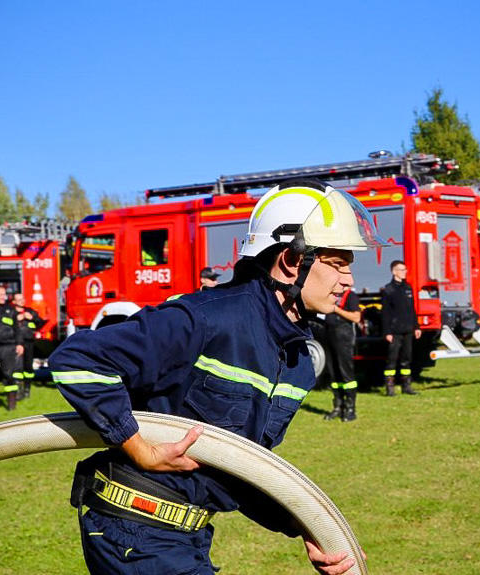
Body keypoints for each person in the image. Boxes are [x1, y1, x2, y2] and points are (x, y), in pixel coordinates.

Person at [49, 179, 386, 575]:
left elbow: (239, 464)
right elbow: (78, 359)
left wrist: (306, 526)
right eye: (336, 263)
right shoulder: (206, 318)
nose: (348, 280)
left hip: (188, 534)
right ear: (292, 261)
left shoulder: (295, 361)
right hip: (133, 529)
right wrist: (139, 447)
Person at [381, 260, 421, 396]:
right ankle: (390, 388)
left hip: (408, 330)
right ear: (394, 271)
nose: (404, 272)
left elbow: (412, 310)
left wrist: (416, 327)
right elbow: (385, 313)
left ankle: (406, 386)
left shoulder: (408, 288)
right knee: (392, 360)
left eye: (405, 270)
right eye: (401, 270)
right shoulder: (388, 290)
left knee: (406, 359)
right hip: (394, 331)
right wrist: (387, 332)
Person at [322, 287, 361, 422]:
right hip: (329, 332)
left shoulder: (351, 296)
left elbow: (356, 317)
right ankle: (338, 406)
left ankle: (350, 409)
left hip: (343, 332)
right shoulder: (331, 294)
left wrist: (336, 309)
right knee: (333, 372)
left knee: (346, 372)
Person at [12, 291, 46, 399]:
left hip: (28, 342)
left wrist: (32, 318)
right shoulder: (10, 312)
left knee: (28, 367)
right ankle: (18, 390)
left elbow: (40, 322)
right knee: (16, 367)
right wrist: (15, 319)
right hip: (15, 343)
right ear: (14, 302)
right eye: (19, 299)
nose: (22, 301)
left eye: (23, 299)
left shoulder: (30, 311)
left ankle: (27, 389)